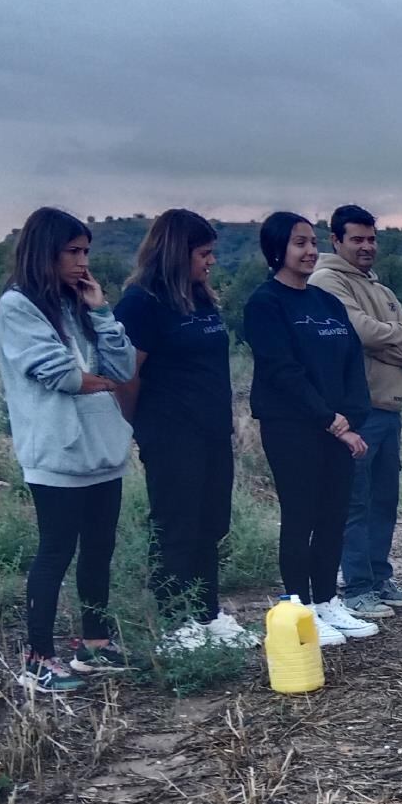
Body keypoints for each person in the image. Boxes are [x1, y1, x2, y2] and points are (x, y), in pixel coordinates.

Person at [0, 207, 139, 693]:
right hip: (57, 453)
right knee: (55, 552)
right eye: (72, 252)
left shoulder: (79, 304)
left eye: (86, 252)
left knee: (99, 549)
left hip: (103, 450)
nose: (82, 262)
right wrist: (97, 383)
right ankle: (37, 659)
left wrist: (102, 311)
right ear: (45, 252)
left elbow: (121, 366)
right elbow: (60, 375)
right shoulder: (19, 306)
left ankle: (93, 644)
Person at [115, 208, 253, 653]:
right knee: (177, 524)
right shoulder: (142, 302)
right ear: (176, 252)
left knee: (211, 523)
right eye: (203, 253)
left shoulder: (202, 298)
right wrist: (143, 425)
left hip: (212, 429)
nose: (210, 261)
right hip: (170, 432)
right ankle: (176, 622)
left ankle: (208, 613)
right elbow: (126, 376)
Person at [242, 211, 380, 644]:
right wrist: (330, 420)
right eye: (299, 243)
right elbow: (282, 371)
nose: (309, 250)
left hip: (340, 427)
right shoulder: (265, 303)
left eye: (312, 241)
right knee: (300, 515)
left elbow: (351, 363)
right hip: (294, 427)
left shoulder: (326, 303)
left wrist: (352, 417)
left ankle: (326, 601)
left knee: (333, 515)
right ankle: (298, 606)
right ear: (276, 249)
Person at [310, 205, 402, 617]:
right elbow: (356, 330)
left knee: (383, 500)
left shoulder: (381, 289)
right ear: (335, 240)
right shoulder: (325, 281)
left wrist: (380, 338)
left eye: (371, 239)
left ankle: (379, 577)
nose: (366, 247)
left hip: (389, 409)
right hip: (357, 412)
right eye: (356, 239)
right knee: (355, 502)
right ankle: (357, 587)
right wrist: (389, 336)